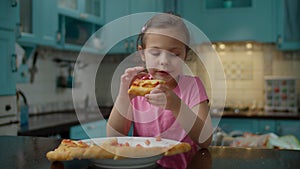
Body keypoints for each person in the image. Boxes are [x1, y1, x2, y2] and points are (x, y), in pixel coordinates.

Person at [107, 13, 212, 169]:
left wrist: (177, 106)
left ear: (185, 55)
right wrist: (124, 94)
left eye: (174, 54)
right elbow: (114, 137)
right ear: (142, 53)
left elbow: (204, 140)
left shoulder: (193, 87)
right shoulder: (137, 88)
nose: (164, 61)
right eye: (155, 53)